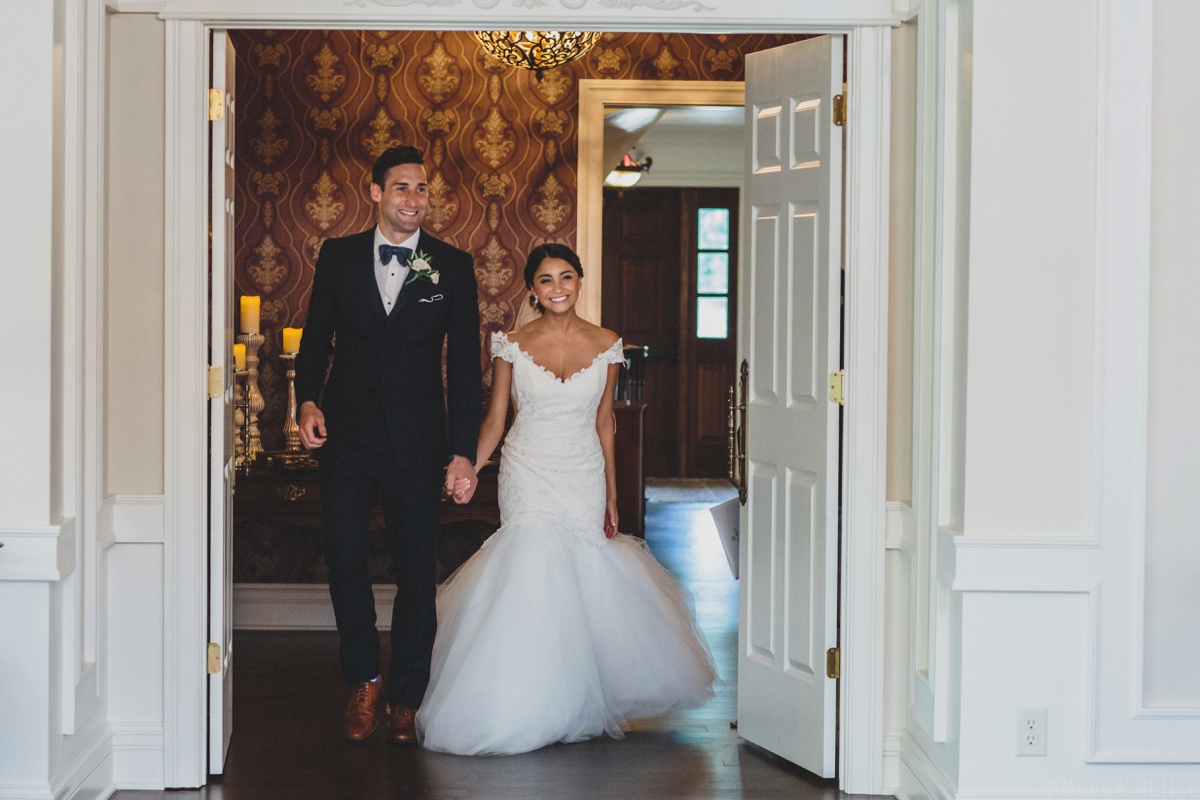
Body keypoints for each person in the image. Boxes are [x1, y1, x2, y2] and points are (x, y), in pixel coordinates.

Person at [416, 243, 717, 755]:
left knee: (582, 577)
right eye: (546, 280)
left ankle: (576, 699)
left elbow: (605, 422)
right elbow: (495, 419)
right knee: (530, 571)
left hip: (582, 472)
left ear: (580, 283)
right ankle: (524, 703)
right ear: (532, 289)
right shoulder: (510, 344)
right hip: (527, 467)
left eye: (566, 277)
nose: (558, 288)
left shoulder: (607, 344)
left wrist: (613, 495)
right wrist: (468, 463)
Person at [294, 145, 483, 745]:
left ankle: (406, 696)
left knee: (415, 575)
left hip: (418, 445)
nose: (413, 199)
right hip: (347, 440)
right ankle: (363, 680)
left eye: (422, 189)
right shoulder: (339, 255)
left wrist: (462, 451)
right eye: (402, 187)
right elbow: (316, 336)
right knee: (346, 563)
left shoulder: (452, 266)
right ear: (375, 192)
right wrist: (306, 400)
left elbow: (465, 368)